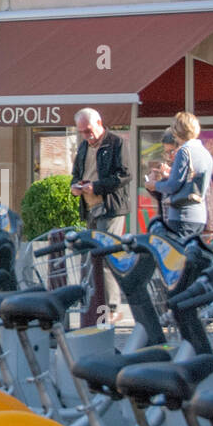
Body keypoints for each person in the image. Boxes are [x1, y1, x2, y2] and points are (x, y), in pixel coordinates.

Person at [70, 107, 130, 316]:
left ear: (99, 123)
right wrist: (75, 187)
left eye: (88, 130)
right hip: (89, 207)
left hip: (111, 207)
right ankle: (94, 303)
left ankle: (112, 307)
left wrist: (96, 187)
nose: (87, 135)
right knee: (90, 257)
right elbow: (76, 174)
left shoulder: (115, 142)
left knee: (106, 256)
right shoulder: (83, 147)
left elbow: (124, 175)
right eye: (82, 132)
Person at [147, 112, 213, 242]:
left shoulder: (184, 151)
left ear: (176, 131)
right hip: (199, 215)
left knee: (177, 256)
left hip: (182, 215)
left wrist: (154, 185)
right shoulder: (204, 152)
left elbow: (173, 186)